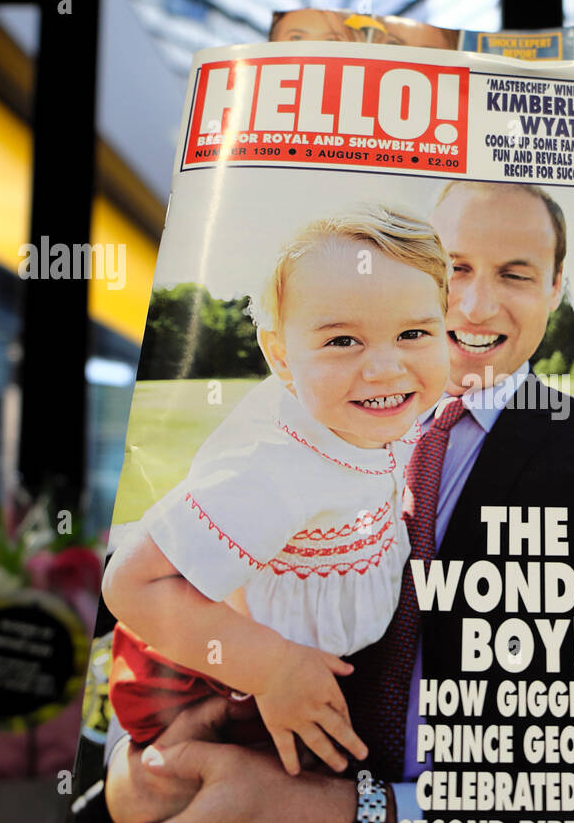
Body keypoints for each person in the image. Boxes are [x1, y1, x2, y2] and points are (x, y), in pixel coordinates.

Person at [102, 182, 574, 823]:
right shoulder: (313, 429)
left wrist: (368, 813)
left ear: (556, 285)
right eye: (455, 267)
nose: (475, 301)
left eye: (515, 274)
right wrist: (146, 761)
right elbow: (162, 601)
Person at [101, 205, 450, 778]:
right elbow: (132, 582)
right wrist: (270, 668)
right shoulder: (272, 467)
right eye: (343, 341)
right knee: (250, 792)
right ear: (281, 356)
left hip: (298, 658)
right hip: (215, 677)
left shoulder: (375, 416)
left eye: (414, 333)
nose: (386, 367)